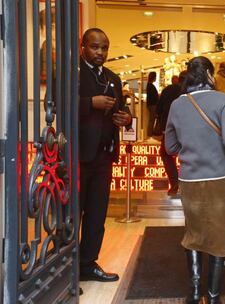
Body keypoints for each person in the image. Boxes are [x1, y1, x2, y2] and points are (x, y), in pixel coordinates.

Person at [165, 56, 225, 304]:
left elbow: (170, 146)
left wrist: (191, 144)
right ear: (211, 76)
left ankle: (194, 293)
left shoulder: (176, 105)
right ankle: (213, 297)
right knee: (221, 238)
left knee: (194, 233)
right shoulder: (224, 99)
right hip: (219, 179)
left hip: (190, 180)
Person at [79, 28, 132, 282]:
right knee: (72, 214)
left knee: (97, 214)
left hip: (104, 156)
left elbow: (119, 112)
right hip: (78, 156)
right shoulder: (72, 73)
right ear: (83, 47)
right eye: (95, 47)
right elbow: (55, 105)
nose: (100, 52)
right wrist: (91, 103)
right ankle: (67, 271)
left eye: (104, 48)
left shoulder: (113, 77)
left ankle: (88, 266)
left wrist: (126, 118)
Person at [156, 72, 186, 196]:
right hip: (186, 128)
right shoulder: (190, 92)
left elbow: (158, 109)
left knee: (165, 153)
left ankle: (174, 184)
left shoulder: (168, 89)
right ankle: (186, 183)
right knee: (187, 154)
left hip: (169, 128)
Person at [146, 71, 159, 138]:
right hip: (152, 104)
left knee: (152, 119)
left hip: (151, 104)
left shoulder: (149, 85)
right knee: (152, 119)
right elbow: (153, 96)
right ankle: (150, 133)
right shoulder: (150, 86)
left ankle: (150, 133)